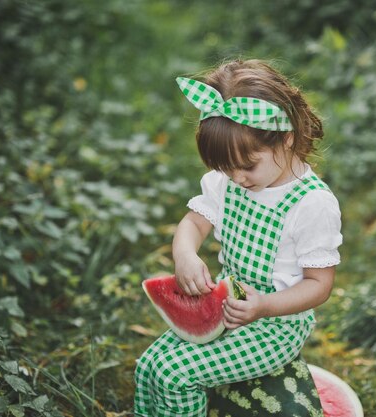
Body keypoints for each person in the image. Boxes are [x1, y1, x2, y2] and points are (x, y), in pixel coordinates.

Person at [134, 59, 342, 417]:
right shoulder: (227, 181)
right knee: (149, 364)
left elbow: (319, 285)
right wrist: (184, 252)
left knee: (175, 374)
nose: (237, 179)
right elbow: (194, 223)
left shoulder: (312, 204)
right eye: (225, 168)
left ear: (287, 137)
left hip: (276, 326)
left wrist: (264, 306)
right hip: (230, 304)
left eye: (247, 166)